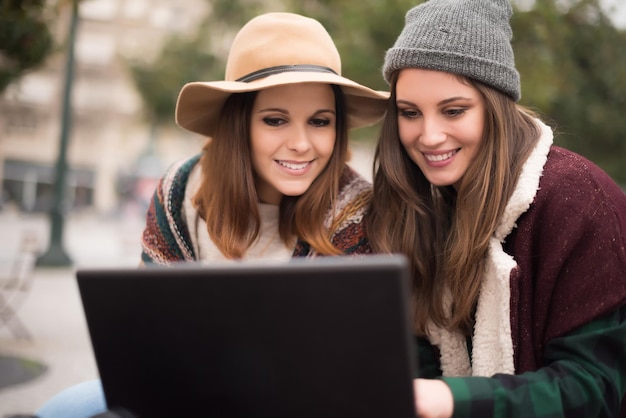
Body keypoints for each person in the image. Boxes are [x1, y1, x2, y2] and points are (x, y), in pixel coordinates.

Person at [36, 12, 387, 418]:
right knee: (64, 408)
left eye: (320, 122)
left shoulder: (357, 209)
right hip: (184, 388)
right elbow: (150, 328)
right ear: (239, 123)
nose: (301, 143)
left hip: (304, 402)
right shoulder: (181, 189)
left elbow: (342, 363)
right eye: (275, 120)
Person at [366, 0, 626, 417]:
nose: (429, 135)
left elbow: (595, 388)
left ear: (496, 106)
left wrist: (449, 398)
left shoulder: (577, 200)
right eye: (409, 113)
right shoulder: (421, 203)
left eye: (454, 111)